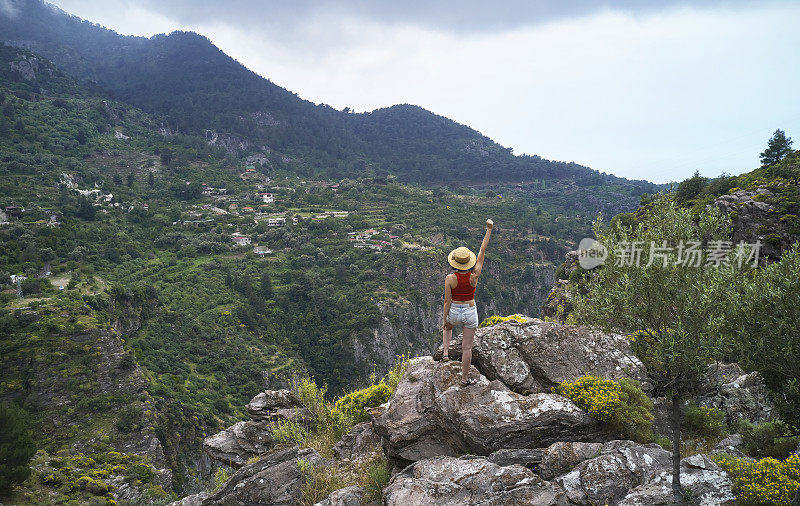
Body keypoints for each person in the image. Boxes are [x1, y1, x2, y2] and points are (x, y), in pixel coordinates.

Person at [442, 218, 493, 386]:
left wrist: (445, 321)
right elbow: (482, 251)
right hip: (470, 311)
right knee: (467, 348)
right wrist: (488, 230)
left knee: (448, 328)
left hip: (454, 311)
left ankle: (446, 354)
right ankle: (464, 379)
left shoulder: (450, 278)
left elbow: (447, 301)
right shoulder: (474, 276)